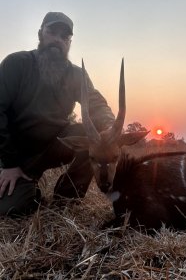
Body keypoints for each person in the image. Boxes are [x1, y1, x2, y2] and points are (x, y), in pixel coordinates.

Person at [0, 12, 115, 215]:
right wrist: (9, 164)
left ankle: (65, 200)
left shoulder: (76, 74)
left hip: (54, 146)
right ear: (40, 34)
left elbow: (96, 103)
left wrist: (110, 127)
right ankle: (29, 192)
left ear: (69, 43)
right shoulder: (16, 64)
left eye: (64, 37)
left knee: (94, 135)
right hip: (14, 153)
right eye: (52, 32)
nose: (57, 40)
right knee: (12, 209)